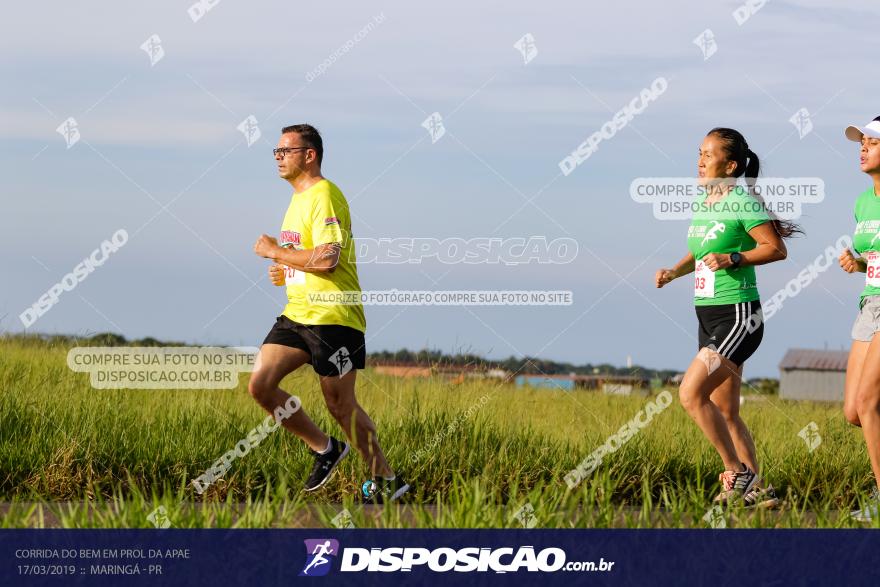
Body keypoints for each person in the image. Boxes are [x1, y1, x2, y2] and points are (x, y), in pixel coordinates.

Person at [250, 123, 409, 503]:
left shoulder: (325, 194)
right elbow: (306, 258)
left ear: (310, 155)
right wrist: (285, 268)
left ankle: (386, 478)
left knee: (340, 405)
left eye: (285, 151)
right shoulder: (296, 201)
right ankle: (326, 449)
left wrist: (277, 253)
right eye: (276, 151)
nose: (278, 157)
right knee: (261, 385)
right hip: (297, 314)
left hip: (334, 317)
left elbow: (328, 259)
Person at [655, 128, 800, 508]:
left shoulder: (742, 201)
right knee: (726, 410)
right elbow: (702, 251)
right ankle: (758, 490)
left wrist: (734, 258)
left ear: (730, 164)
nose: (700, 160)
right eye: (699, 152)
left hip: (738, 316)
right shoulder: (706, 201)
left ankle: (736, 471)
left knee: (690, 393)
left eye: (709, 154)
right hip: (708, 314)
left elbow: (775, 249)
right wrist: (674, 271)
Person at [838, 115, 880, 522]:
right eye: (861, 142)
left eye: (871, 142)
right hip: (869, 305)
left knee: (869, 401)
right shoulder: (862, 202)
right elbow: (874, 256)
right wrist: (858, 261)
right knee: (854, 410)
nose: (863, 147)